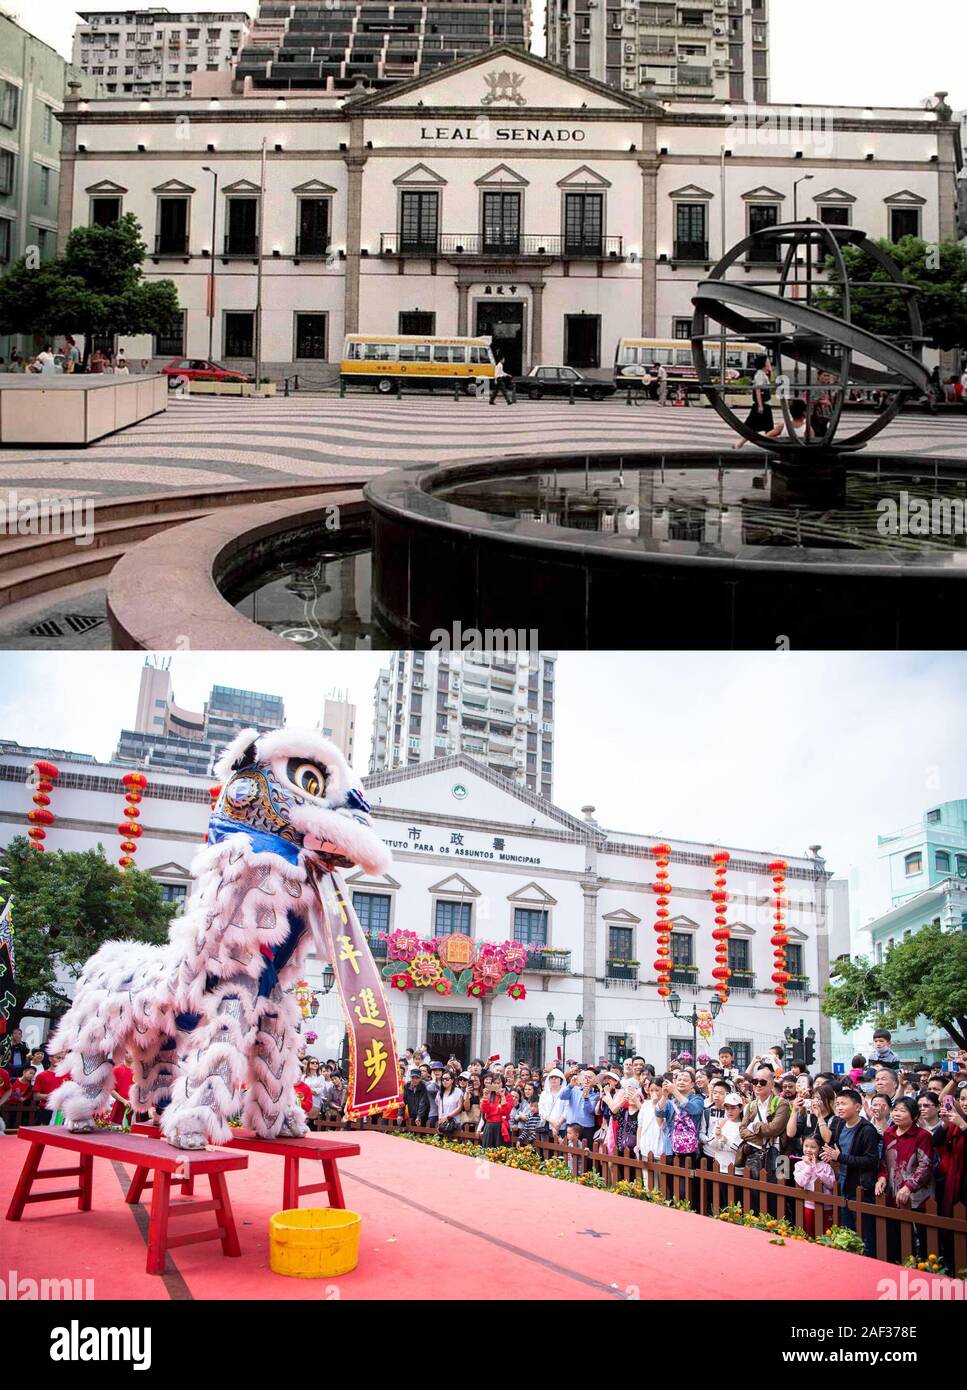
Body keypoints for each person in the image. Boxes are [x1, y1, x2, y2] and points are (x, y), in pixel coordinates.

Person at [823, 1087, 881, 1257]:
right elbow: (836, 1149)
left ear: (857, 1107)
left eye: (844, 1104)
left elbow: (871, 1160)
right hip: (844, 1184)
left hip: (861, 1187)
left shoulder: (867, 1130)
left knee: (865, 1235)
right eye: (838, 1104)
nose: (839, 1107)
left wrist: (840, 1157)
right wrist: (832, 1156)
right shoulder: (840, 1124)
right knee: (847, 1232)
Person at [876, 1095, 935, 1262]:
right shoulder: (888, 1133)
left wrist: (909, 1186)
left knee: (921, 1239)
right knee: (895, 1237)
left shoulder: (922, 1136)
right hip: (893, 1192)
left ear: (914, 1116)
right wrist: (881, 1178)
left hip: (917, 1196)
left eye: (903, 1111)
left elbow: (925, 1166)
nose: (897, 1114)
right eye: (895, 1110)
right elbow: (884, 1162)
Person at [738, 1066, 790, 1180]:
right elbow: (742, 1130)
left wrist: (754, 1126)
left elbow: (774, 1129)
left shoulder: (782, 1104)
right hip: (755, 1154)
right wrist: (761, 1139)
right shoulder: (751, 1105)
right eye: (755, 1081)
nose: (758, 1085)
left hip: (780, 1154)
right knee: (755, 1192)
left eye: (762, 1082)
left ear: (771, 1085)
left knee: (779, 1192)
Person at [793, 1133, 837, 1239]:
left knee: (827, 1235)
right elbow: (801, 1182)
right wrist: (809, 1167)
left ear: (819, 1149)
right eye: (806, 1146)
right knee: (809, 1234)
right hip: (808, 1205)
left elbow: (832, 1184)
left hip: (827, 1206)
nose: (808, 1149)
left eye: (813, 1147)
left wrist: (816, 1169)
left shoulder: (826, 1166)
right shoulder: (799, 1165)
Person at [733, 354, 773, 447]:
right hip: (763, 405)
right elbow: (757, 390)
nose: (769, 363)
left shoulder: (763, 374)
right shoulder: (759, 374)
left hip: (764, 404)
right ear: (763, 363)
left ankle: (739, 444)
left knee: (754, 427)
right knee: (765, 427)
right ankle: (768, 445)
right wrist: (760, 405)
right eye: (767, 361)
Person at [479, 1074, 514, 1148]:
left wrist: (503, 1096)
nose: (496, 1085)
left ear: (503, 1084)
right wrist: (485, 1097)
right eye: (494, 1083)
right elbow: (484, 1110)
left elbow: (505, 1112)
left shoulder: (508, 1096)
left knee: (501, 1152)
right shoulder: (489, 1095)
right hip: (489, 1125)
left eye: (498, 1083)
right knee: (488, 1150)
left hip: (501, 1126)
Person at [538, 1067, 567, 1142]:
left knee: (560, 1151)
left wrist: (558, 1124)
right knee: (546, 1151)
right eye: (552, 1077)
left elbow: (567, 1110)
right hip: (546, 1127)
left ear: (561, 1079)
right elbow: (541, 1110)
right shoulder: (544, 1093)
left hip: (561, 1127)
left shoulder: (565, 1093)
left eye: (556, 1077)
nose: (554, 1079)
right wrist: (552, 1121)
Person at [436, 1068, 464, 1135]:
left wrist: (447, 1117)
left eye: (447, 1079)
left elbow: (459, 1108)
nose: (444, 1081)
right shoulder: (440, 1093)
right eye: (443, 1079)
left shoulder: (458, 1091)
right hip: (443, 1123)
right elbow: (439, 1108)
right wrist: (440, 1119)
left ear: (452, 1080)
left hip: (455, 1123)